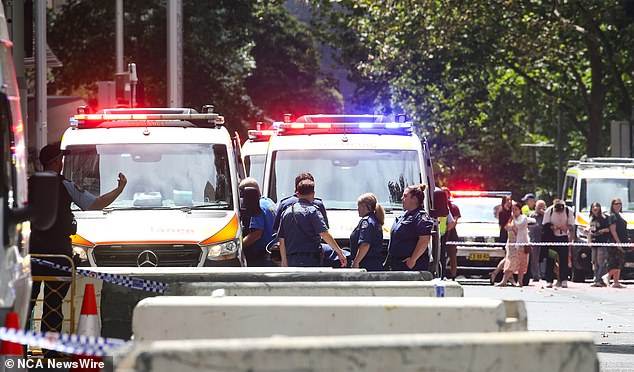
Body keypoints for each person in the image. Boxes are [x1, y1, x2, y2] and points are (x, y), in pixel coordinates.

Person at [28, 142, 126, 357]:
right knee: (53, 304)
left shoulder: (28, 185)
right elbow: (96, 204)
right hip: (60, 255)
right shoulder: (65, 185)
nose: (62, 162)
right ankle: (50, 350)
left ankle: (18, 347)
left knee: (28, 300)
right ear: (55, 161)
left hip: (31, 253)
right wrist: (119, 189)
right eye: (60, 159)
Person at [278, 179, 346, 267]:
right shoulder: (312, 211)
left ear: (297, 194)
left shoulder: (286, 212)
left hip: (291, 260)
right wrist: (339, 252)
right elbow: (324, 234)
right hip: (309, 260)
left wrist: (284, 261)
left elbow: (281, 240)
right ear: (313, 194)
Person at [385, 184, 434, 271]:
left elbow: (424, 240)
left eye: (405, 196)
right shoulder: (405, 215)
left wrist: (412, 260)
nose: (402, 199)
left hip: (410, 266)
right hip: (396, 263)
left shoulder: (420, 217)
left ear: (414, 199)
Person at [239, 177, 277, 267]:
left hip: (263, 257)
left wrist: (239, 246)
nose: (241, 198)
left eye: (242, 194)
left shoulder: (257, 207)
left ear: (249, 193)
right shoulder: (268, 201)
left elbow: (256, 235)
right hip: (273, 253)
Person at [495, 201, 530, 287]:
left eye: (516, 209)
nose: (514, 211)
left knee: (521, 263)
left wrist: (514, 219)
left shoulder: (523, 218)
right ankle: (504, 281)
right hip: (511, 245)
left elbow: (519, 226)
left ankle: (520, 281)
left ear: (520, 210)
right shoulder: (511, 219)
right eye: (513, 209)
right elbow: (506, 228)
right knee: (509, 263)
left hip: (521, 244)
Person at [543, 199, 574, 288]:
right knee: (551, 258)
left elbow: (572, 225)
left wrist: (566, 227)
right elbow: (545, 224)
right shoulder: (549, 210)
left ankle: (564, 279)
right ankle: (549, 280)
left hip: (563, 238)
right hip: (552, 238)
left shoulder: (569, 211)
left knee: (564, 259)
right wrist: (553, 227)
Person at [350, 193, 385, 271]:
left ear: (364, 206)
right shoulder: (374, 220)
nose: (357, 209)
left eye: (358, 206)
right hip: (374, 264)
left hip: (367, 265)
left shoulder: (367, 222)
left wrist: (356, 262)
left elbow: (365, 244)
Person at [605, 198, 628, 288]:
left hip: (622, 241)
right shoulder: (612, 216)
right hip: (614, 242)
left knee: (620, 261)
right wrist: (618, 243)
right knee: (615, 261)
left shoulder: (619, 216)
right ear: (612, 205)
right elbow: (613, 230)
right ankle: (607, 276)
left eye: (619, 203)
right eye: (616, 203)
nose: (618, 205)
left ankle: (616, 282)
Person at [586, 202, 610, 287]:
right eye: (593, 207)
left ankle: (599, 279)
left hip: (602, 242)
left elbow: (609, 229)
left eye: (597, 206)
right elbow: (590, 230)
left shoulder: (604, 218)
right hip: (593, 242)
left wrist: (602, 231)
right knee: (594, 261)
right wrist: (589, 240)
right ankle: (595, 277)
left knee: (601, 261)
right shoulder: (591, 218)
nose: (595, 208)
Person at [439, 187, 460, 279]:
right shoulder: (439, 205)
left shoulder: (453, 207)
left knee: (452, 256)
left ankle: (453, 275)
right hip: (441, 234)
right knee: (441, 255)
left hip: (451, 235)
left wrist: (445, 230)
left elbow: (454, 221)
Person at [527, 199, 546, 283]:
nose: (540, 209)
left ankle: (544, 274)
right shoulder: (532, 216)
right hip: (533, 240)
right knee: (534, 258)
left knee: (543, 259)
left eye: (542, 207)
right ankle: (535, 275)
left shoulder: (545, 216)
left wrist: (544, 214)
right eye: (538, 207)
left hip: (543, 240)